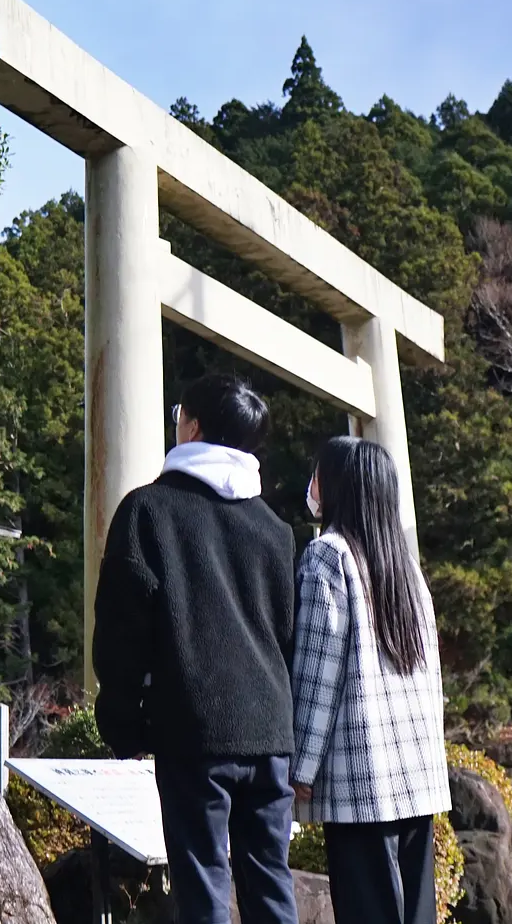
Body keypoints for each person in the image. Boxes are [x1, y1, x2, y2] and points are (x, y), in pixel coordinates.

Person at [92, 374, 298, 924]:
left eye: (181, 411)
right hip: (272, 731)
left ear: (195, 426)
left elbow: (121, 630)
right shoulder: (276, 531)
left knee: (203, 884)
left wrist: (123, 723)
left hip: (196, 728)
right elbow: (285, 635)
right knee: (271, 882)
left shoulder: (148, 511)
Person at [291, 435, 449, 924]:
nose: (311, 485)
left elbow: (317, 675)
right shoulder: (407, 569)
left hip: (361, 779)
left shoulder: (328, 556)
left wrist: (301, 767)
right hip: (417, 777)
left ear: (338, 486)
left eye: (317, 474)